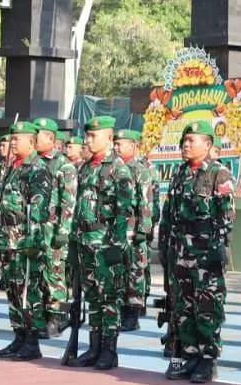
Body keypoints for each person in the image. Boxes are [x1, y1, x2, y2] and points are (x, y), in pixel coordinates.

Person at [161, 121, 235, 384]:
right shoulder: (179, 173)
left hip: (206, 255)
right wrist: (166, 247)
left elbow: (225, 217)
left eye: (192, 140)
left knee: (207, 307)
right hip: (180, 251)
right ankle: (190, 354)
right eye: (184, 140)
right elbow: (169, 215)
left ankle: (207, 358)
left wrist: (217, 252)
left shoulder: (219, 174)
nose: (186, 144)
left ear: (208, 145)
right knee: (184, 307)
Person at [65, 116, 136, 371]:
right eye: (87, 135)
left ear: (108, 137)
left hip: (106, 244)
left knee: (109, 298)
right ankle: (93, 346)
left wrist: (117, 245)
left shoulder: (118, 169)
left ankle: (109, 350)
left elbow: (125, 210)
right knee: (92, 297)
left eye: (93, 136)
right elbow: (75, 208)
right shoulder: (85, 168)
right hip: (85, 242)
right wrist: (73, 243)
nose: (87, 139)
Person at [0, 121, 53, 360]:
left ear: (32, 141)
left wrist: (33, 239)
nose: (13, 142)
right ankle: (18, 335)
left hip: (25, 239)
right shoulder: (12, 167)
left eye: (18, 139)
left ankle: (32, 340)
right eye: (12, 138)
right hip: (7, 238)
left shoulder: (36, 169)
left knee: (29, 291)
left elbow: (38, 207)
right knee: (13, 291)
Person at [34, 117, 78, 337]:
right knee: (37, 272)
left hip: (53, 231)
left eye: (38, 135)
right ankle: (39, 313)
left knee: (55, 273)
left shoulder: (64, 165)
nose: (34, 139)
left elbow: (68, 200)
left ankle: (55, 317)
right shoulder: (32, 162)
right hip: (34, 230)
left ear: (51, 139)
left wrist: (63, 230)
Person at [115, 127, 158, 332]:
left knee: (135, 271)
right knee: (119, 271)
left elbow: (145, 201)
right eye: (114, 144)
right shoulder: (114, 168)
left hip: (134, 228)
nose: (116, 147)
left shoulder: (139, 169)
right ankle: (120, 310)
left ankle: (132, 313)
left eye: (119, 144)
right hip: (117, 229)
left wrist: (144, 228)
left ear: (133, 146)